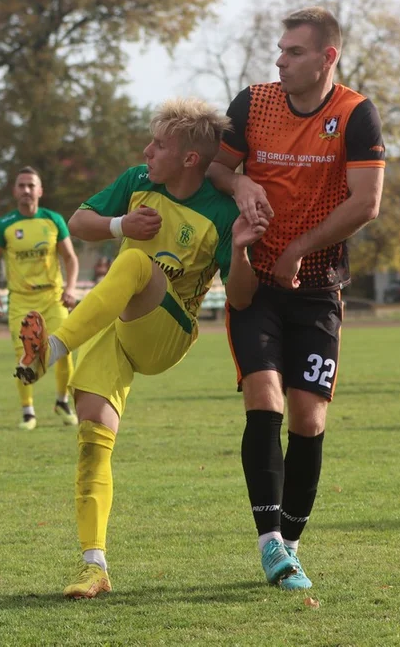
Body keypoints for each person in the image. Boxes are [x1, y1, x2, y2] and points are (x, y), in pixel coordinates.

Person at [14, 98, 262, 598]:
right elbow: (78, 221)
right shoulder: (137, 182)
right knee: (91, 436)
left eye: (160, 145)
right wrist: (119, 226)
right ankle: (93, 566)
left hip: (167, 335)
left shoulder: (219, 212)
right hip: (119, 329)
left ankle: (52, 350)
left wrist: (238, 251)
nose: (147, 151)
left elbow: (241, 297)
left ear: (190, 159)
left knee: (131, 267)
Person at [208, 7, 385, 591]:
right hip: (253, 282)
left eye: (294, 52)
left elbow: (366, 202)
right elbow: (213, 167)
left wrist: (301, 249)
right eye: (280, 51)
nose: (280, 61)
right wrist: (242, 181)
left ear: (327, 57)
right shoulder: (251, 103)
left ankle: (290, 543)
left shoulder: (356, 114)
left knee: (308, 418)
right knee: (265, 398)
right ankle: (268, 546)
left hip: (317, 290)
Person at [0, 167, 81, 430]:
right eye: (21, 185)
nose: (26, 190)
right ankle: (28, 413)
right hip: (21, 302)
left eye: (31, 185)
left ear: (40, 191)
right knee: (24, 357)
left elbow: (70, 258)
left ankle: (62, 402)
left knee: (65, 353)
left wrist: (70, 289)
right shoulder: (5, 225)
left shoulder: (54, 220)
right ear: (15, 191)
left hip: (53, 299)